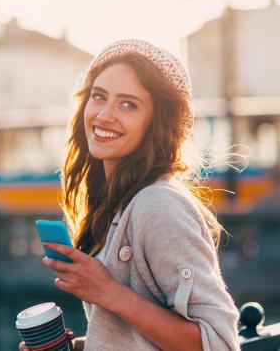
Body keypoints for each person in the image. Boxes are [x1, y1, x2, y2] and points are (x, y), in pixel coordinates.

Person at [20, 39, 241, 351]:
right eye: (98, 97)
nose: (104, 115)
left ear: (157, 122)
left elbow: (219, 344)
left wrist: (109, 292)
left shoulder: (158, 204)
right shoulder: (119, 202)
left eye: (128, 104)